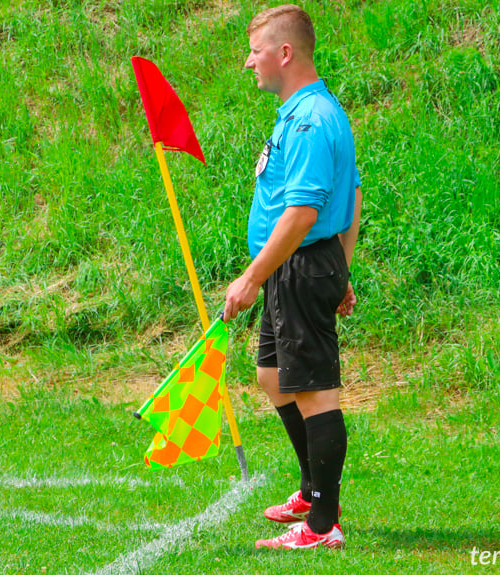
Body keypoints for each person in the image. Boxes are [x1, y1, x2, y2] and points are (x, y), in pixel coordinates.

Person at [222, 4, 362, 550]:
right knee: (273, 377)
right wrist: (342, 269)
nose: (249, 62)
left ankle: (323, 524)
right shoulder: (307, 111)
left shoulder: (309, 120)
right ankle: (312, 490)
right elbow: (349, 194)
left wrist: (252, 277)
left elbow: (304, 213)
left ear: (284, 54)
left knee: (316, 394)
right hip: (303, 268)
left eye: (255, 51)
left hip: (298, 268)